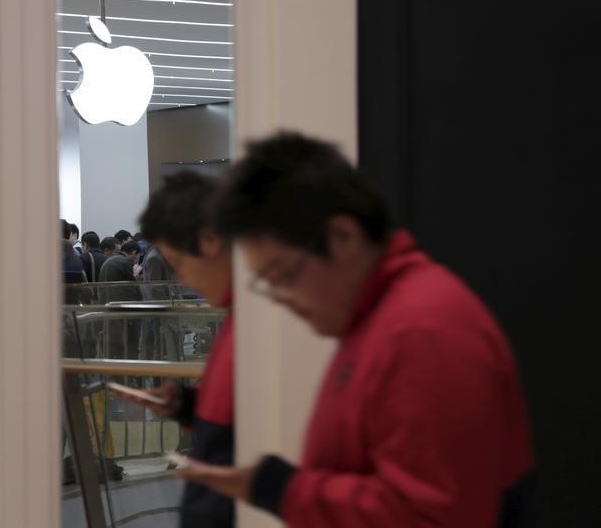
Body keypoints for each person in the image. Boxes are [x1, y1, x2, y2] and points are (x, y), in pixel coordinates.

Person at [178, 132, 533, 528]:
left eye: (282, 274)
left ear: (343, 237)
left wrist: (285, 490)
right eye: (265, 281)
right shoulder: (378, 320)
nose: (278, 297)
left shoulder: (422, 332)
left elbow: (430, 514)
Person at [123, 171, 235, 528]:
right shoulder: (238, 317)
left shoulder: (264, 322)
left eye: (182, 264)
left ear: (209, 243)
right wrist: (187, 405)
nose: (184, 281)